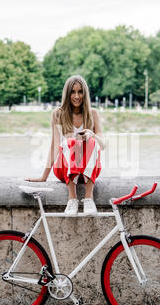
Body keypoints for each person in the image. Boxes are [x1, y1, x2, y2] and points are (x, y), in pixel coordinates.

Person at [25, 75, 105, 216]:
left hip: (88, 172)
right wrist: (44, 177)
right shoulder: (58, 114)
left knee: (91, 141)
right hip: (64, 170)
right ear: (67, 94)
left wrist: (91, 135)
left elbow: (103, 145)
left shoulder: (93, 113)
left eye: (80, 92)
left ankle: (88, 198)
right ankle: (72, 198)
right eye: (72, 92)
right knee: (69, 142)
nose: (76, 96)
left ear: (85, 93)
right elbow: (55, 146)